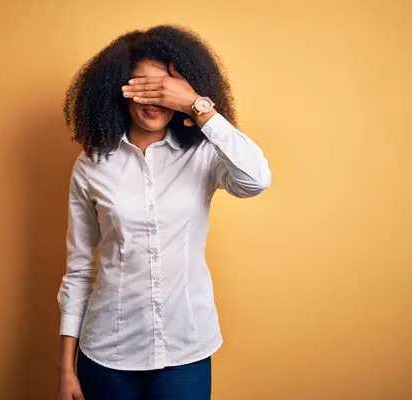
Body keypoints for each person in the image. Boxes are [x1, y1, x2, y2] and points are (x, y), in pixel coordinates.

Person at [57, 24, 271, 400]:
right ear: (117, 91)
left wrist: (197, 107)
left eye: (165, 88)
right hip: (109, 351)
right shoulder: (92, 165)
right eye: (142, 86)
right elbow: (78, 269)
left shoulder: (204, 154)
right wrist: (65, 368)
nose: (154, 98)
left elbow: (256, 180)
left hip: (186, 347)